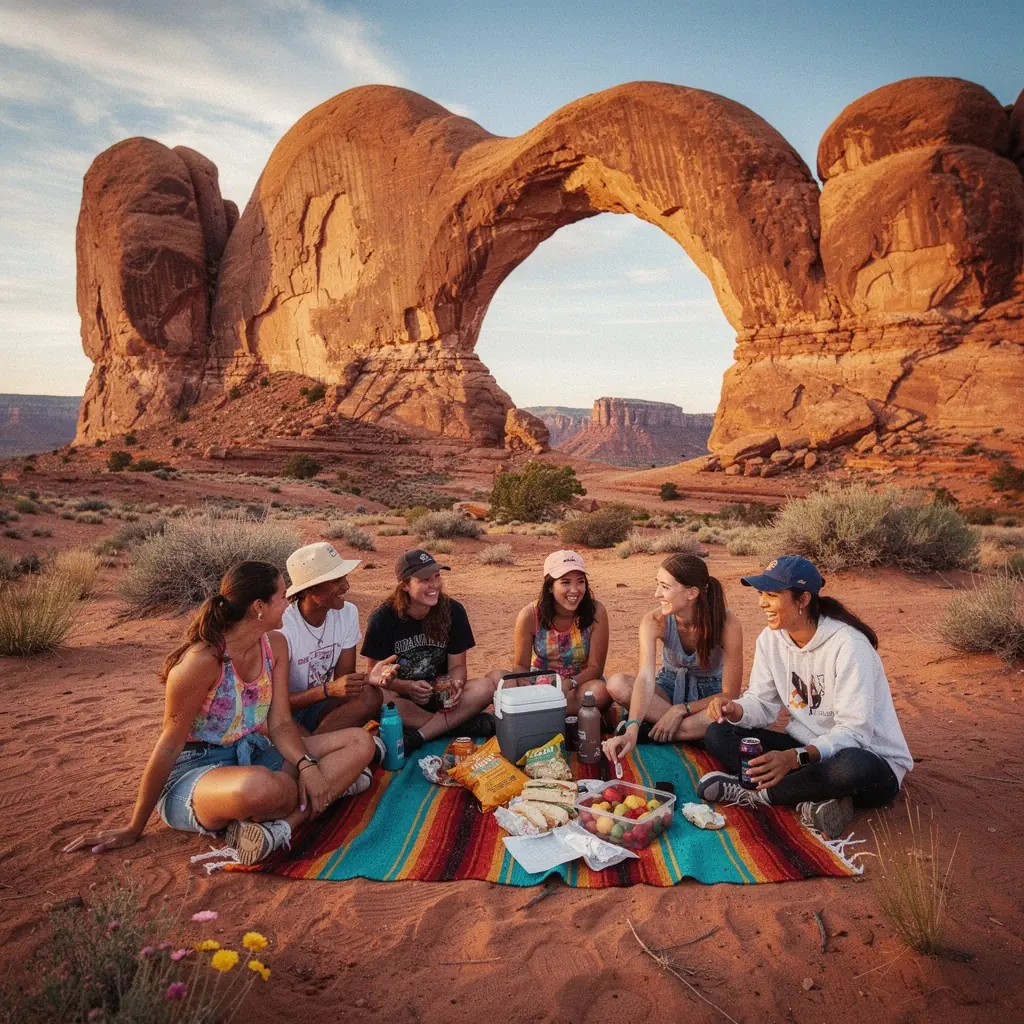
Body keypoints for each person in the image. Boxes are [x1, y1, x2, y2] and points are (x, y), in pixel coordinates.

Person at [62, 562, 376, 866]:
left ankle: (282, 826)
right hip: (196, 771)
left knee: (361, 743)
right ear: (258, 607)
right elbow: (169, 745)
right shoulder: (202, 662)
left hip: (254, 751)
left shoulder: (275, 645)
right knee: (262, 788)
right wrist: (134, 827)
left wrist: (306, 765)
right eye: (282, 597)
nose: (287, 603)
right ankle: (329, 790)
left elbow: (280, 722)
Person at [697, 556, 913, 839]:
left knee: (851, 766)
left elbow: (855, 733)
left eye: (772, 595)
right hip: (805, 749)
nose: (762, 602)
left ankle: (758, 794)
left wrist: (793, 758)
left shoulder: (849, 646)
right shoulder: (770, 639)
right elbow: (762, 704)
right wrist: (735, 709)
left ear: (803, 600)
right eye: (761, 594)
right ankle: (817, 797)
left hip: (869, 761)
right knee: (718, 732)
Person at [602, 554, 742, 764]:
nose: (657, 593)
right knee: (617, 684)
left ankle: (657, 730)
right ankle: (688, 732)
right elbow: (645, 679)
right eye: (657, 584)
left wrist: (681, 710)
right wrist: (632, 727)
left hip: (709, 699)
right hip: (668, 689)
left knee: (729, 712)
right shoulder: (653, 620)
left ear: (692, 593)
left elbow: (730, 693)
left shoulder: (727, 623)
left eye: (665, 587)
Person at [361, 549, 496, 753]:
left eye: (437, 576)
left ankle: (420, 735)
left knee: (485, 687)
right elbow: (374, 674)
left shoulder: (453, 611)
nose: (435, 585)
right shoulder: (383, 618)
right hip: (404, 700)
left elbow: (458, 665)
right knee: (379, 700)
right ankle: (458, 726)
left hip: (441, 698)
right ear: (405, 585)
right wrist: (407, 687)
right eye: (425, 579)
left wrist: (455, 685)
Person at [488, 550, 610, 716]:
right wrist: (525, 681)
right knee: (498, 678)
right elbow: (520, 665)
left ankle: (532, 712)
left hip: (577, 684)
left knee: (599, 692)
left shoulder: (596, 611)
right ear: (550, 587)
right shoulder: (530, 614)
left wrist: (570, 683)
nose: (574, 590)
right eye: (565, 582)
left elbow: (596, 668)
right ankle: (549, 711)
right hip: (538, 683)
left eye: (580, 582)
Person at [280, 542, 383, 734]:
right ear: (310, 589)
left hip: (320, 706)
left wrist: (371, 678)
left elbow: (344, 681)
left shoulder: (347, 613)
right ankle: (316, 748)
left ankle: (313, 745)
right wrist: (328, 690)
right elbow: (274, 703)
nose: (346, 586)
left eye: (344, 578)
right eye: (336, 581)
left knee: (371, 695)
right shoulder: (283, 627)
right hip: (286, 715)